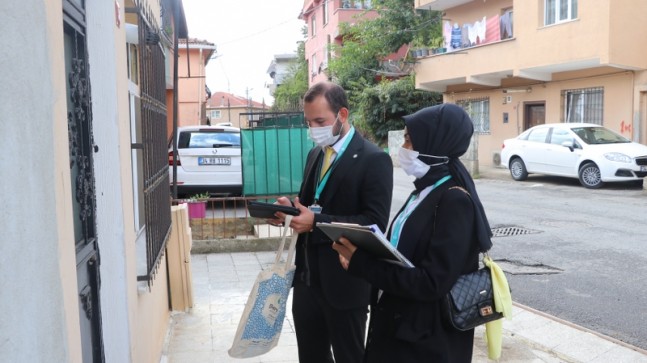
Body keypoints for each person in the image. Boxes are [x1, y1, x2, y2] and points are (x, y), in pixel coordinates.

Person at [332, 103, 493, 362]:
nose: (403, 148)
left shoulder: (454, 201)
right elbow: (402, 253)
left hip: (425, 342)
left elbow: (431, 283)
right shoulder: (424, 191)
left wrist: (362, 264)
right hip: (399, 327)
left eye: (408, 139)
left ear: (434, 143)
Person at [270, 81, 394, 363]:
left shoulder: (374, 160)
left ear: (343, 114)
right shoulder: (316, 153)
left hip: (346, 285)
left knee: (349, 357)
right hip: (307, 282)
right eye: (308, 122)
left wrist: (316, 222)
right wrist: (290, 210)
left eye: (320, 121)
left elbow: (374, 223)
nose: (313, 128)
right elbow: (307, 203)